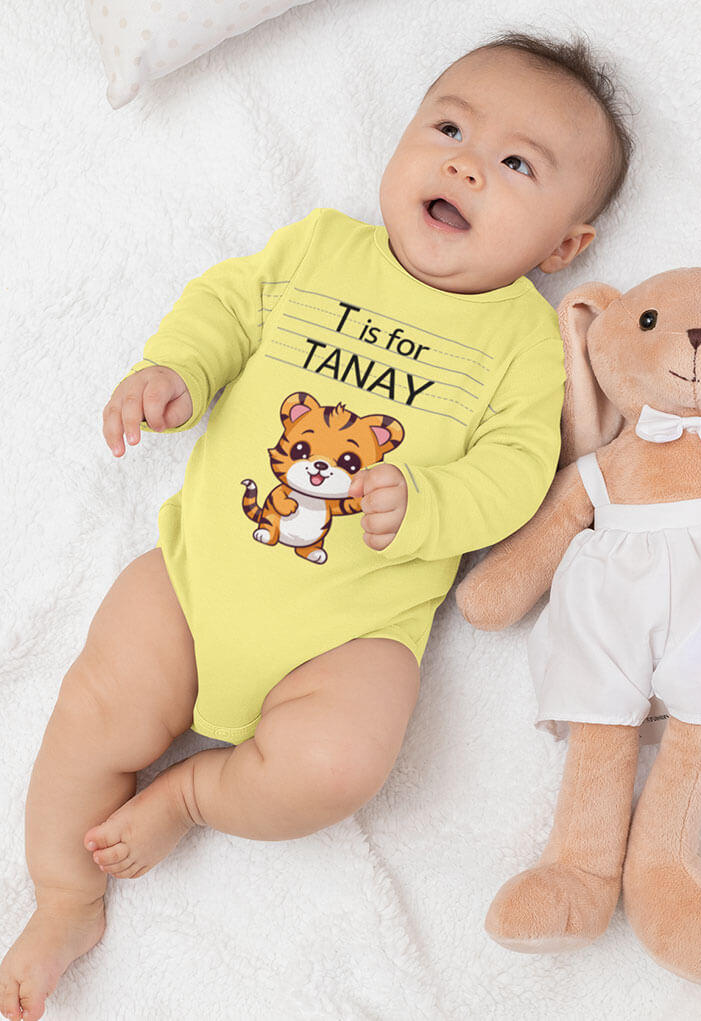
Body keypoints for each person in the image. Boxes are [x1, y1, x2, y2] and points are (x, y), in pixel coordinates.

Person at [0, 31, 632, 1021]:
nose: (467, 164)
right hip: (197, 579)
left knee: (339, 765)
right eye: (449, 129)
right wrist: (177, 371)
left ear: (562, 248)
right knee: (95, 708)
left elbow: (518, 467)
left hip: (349, 636)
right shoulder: (320, 248)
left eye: (517, 164)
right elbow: (225, 307)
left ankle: (194, 794)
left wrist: (426, 502)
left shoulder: (519, 337)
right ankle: (64, 898)